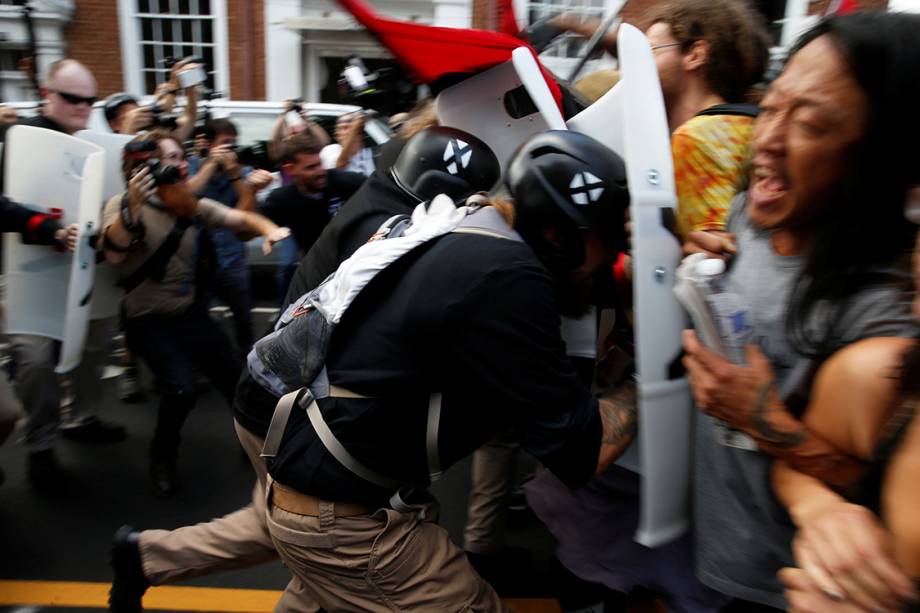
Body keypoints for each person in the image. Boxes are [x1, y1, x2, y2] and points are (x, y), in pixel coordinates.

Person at [107, 127, 502, 613]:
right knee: (329, 527)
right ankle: (148, 551)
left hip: (287, 392)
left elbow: (238, 215)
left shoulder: (381, 197)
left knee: (299, 526)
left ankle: (145, 556)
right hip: (299, 400)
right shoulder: (396, 224)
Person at [258, 129, 633, 610]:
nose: (608, 262)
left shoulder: (471, 229)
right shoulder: (510, 278)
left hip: (316, 497)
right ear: (559, 238)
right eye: (605, 245)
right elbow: (583, 452)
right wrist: (649, 383)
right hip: (345, 520)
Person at [681, 12, 919, 609]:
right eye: (774, 105)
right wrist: (685, 262)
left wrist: (763, 418)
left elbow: (882, 486)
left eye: (809, 121)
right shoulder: (746, 216)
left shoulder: (884, 313)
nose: (768, 138)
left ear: (879, 156)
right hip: (706, 541)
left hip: (786, 584)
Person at [100, 129, 289, 498]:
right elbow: (115, 253)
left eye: (177, 158)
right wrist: (133, 204)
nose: (176, 166)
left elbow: (237, 219)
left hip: (189, 314)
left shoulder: (187, 204)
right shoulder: (120, 204)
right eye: (165, 160)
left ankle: (255, 445)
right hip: (147, 319)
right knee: (181, 387)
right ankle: (162, 459)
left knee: (240, 379)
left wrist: (270, 229)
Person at [1, 58, 126, 490]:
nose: (83, 108)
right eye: (73, 98)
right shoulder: (12, 142)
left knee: (92, 350)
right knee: (36, 361)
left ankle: (83, 416)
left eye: (90, 100)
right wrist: (48, 227)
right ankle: (41, 448)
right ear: (47, 94)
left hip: (89, 270)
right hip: (30, 273)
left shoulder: (98, 147)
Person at [0, 194, 79, 484]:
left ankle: (42, 447)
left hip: (21, 281)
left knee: (34, 367)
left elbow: (13, 213)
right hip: (13, 284)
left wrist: (56, 231)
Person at [185, 118, 273, 354]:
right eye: (225, 144)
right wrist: (210, 164)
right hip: (198, 261)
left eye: (233, 144)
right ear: (210, 145)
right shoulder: (193, 166)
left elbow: (246, 218)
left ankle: (247, 361)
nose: (230, 151)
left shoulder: (242, 173)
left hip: (233, 258)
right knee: (196, 317)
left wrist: (236, 177)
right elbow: (187, 196)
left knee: (244, 318)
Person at [260, 135, 364, 256]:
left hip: (359, 257)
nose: (320, 172)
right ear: (290, 169)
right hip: (320, 267)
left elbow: (382, 192)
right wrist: (250, 192)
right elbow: (247, 229)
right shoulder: (281, 199)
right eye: (311, 167)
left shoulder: (344, 181)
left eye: (320, 164)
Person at [102, 59, 202, 141]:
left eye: (139, 113)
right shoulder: (108, 148)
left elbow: (189, 117)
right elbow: (127, 159)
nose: (138, 119)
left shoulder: (157, 142)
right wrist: (129, 129)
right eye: (126, 117)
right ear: (113, 125)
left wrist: (189, 87)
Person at [319, 111, 375, 176]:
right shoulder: (330, 150)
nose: (350, 131)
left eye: (351, 127)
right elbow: (339, 166)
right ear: (337, 135)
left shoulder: (365, 153)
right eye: (344, 128)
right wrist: (355, 129)